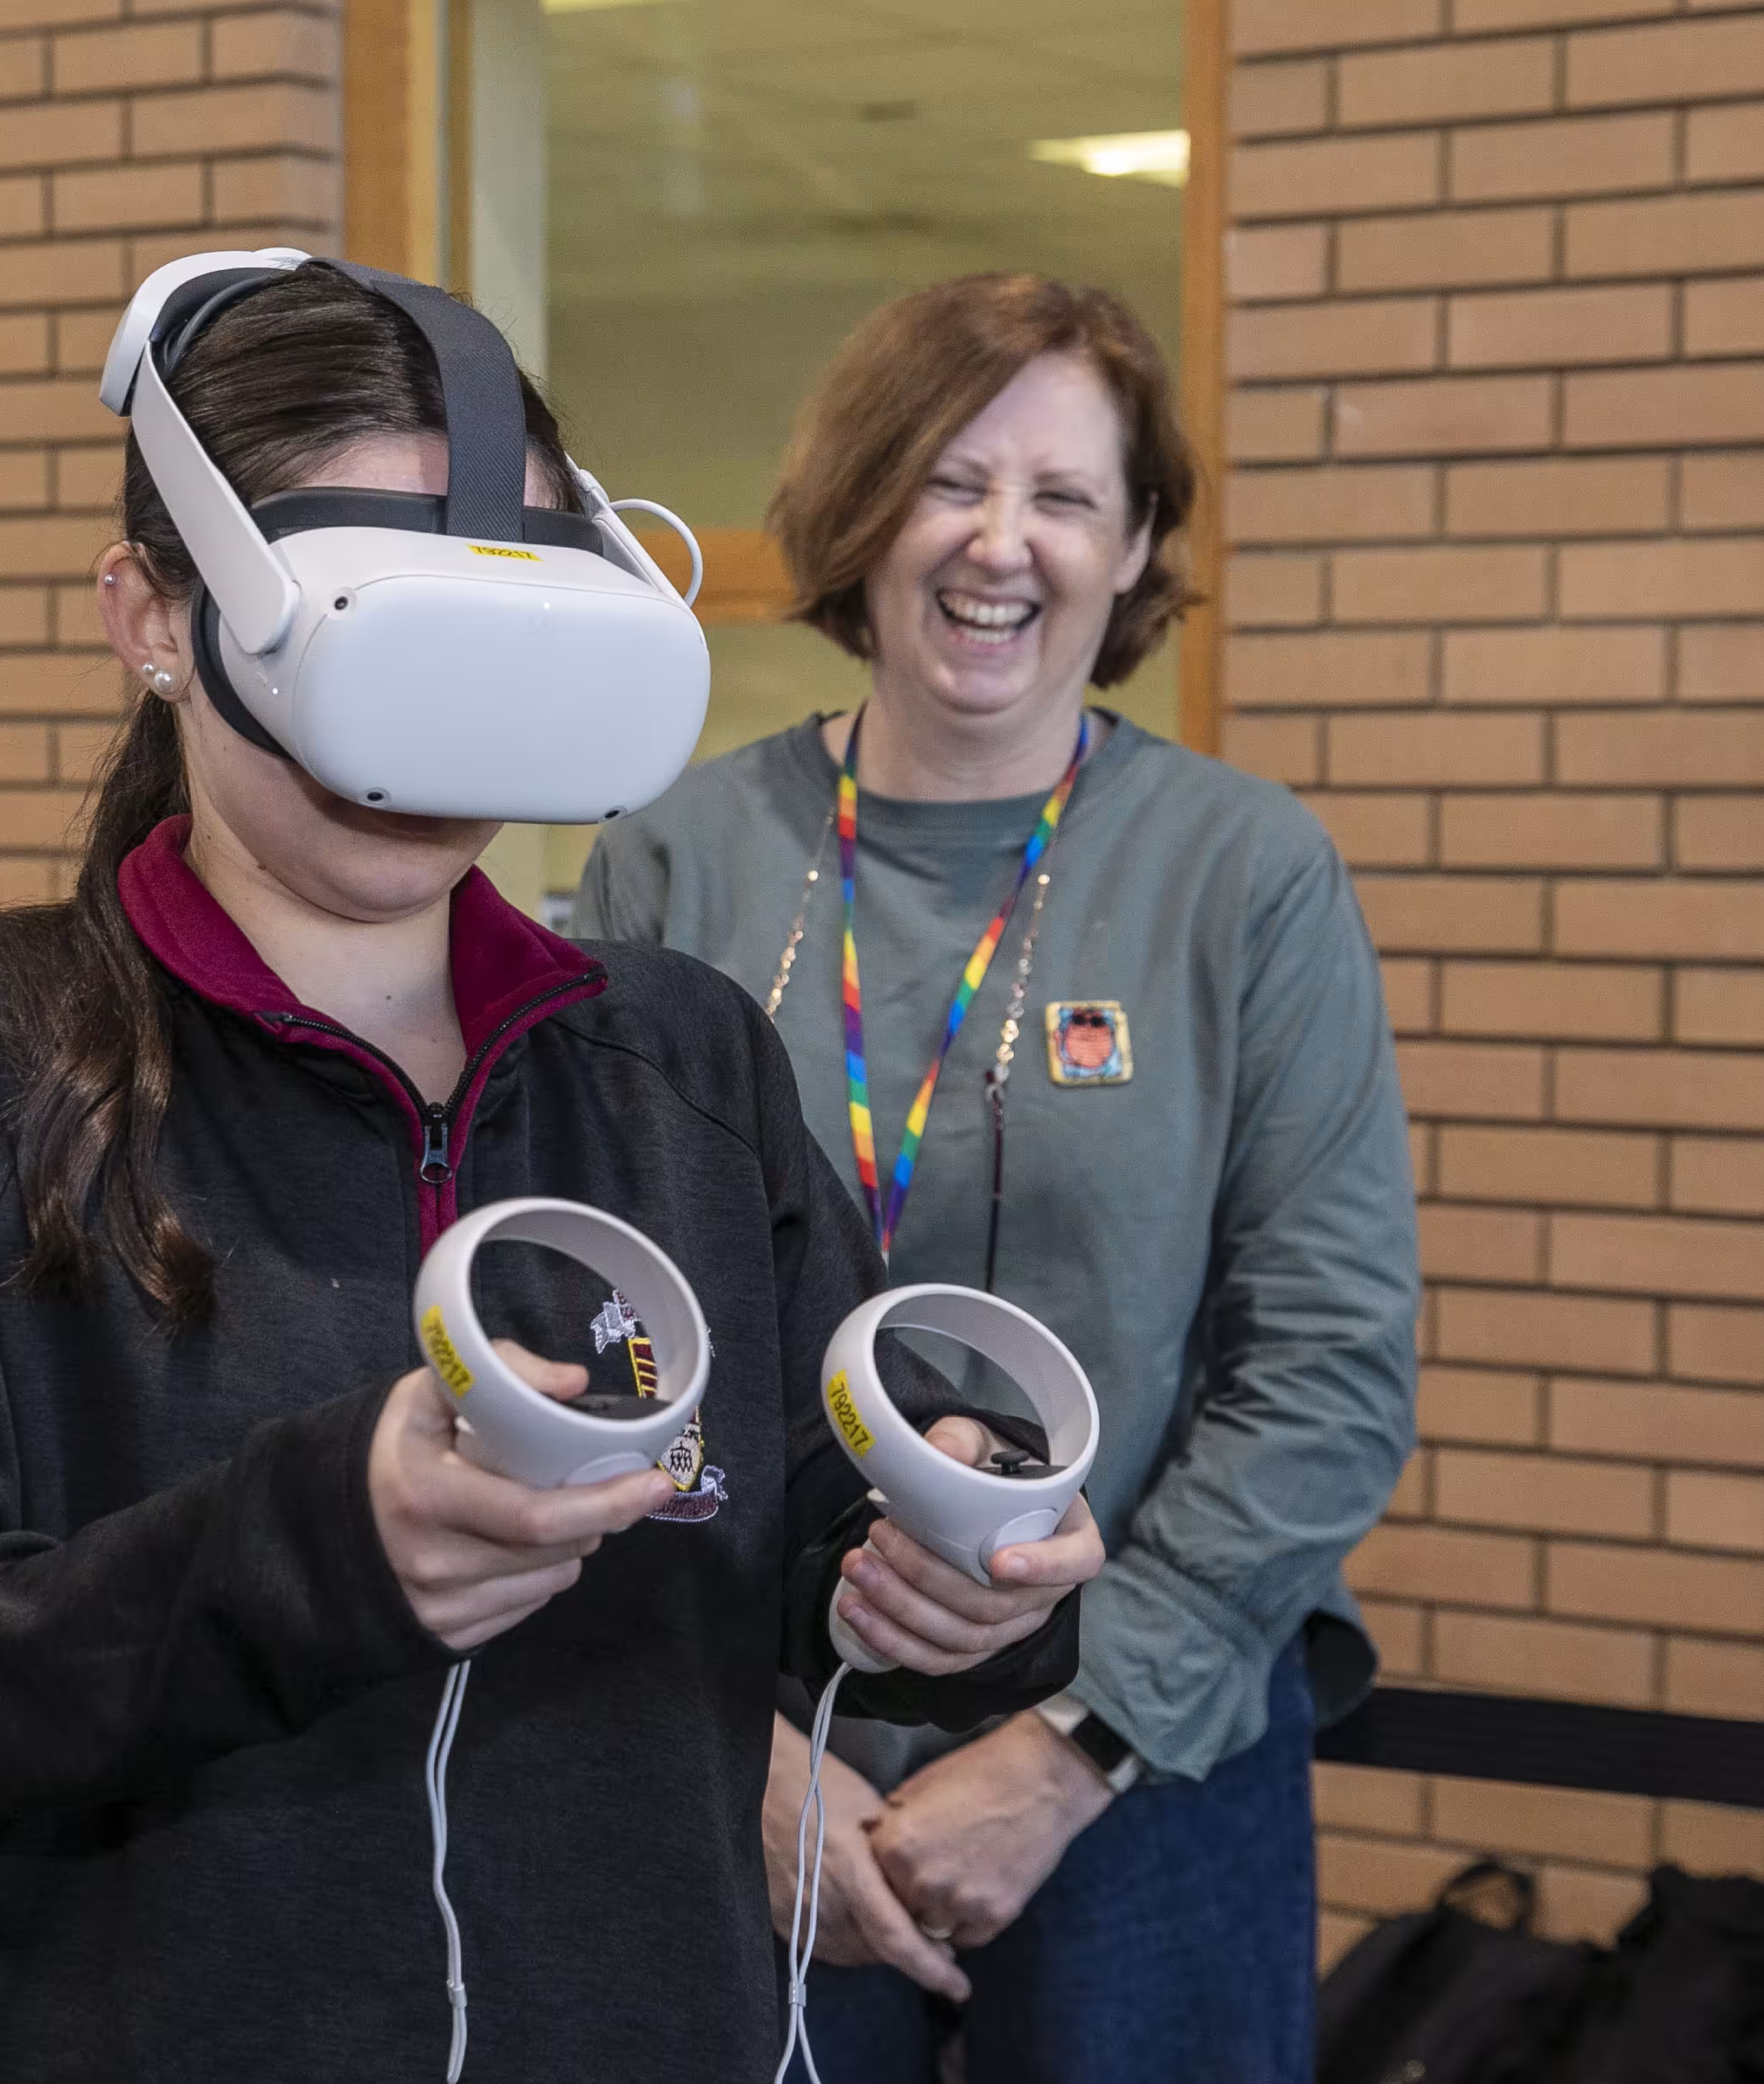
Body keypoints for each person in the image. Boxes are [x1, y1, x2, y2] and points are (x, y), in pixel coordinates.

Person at [0, 263, 1104, 2081]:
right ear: (154, 616)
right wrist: (313, 1552)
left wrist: (959, 1588)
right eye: (380, 633)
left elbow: (821, 1544)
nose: (432, 737)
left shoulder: (677, 1065)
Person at [575, 273, 1421, 2081]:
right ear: (864, 507)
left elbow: (1329, 1366)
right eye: (952, 481)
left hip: (1144, 1751)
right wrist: (736, 1748)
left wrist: (1070, 1750)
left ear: (1137, 549)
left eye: (1065, 497)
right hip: (758, 1744)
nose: (1000, 542)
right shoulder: (675, 862)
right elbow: (606, 1330)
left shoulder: (1245, 876)